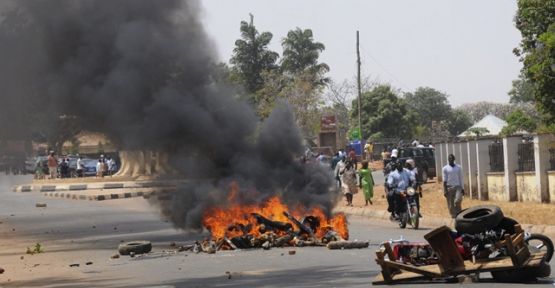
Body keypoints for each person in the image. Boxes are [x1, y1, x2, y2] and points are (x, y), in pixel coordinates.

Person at [442, 154, 464, 218]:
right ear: (448, 159)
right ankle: (453, 215)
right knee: (450, 204)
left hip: (458, 187)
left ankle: (459, 213)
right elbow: (444, 180)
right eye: (449, 158)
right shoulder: (445, 168)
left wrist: (462, 188)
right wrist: (445, 190)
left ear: (454, 159)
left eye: (452, 158)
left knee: (457, 200)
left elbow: (461, 178)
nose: (450, 160)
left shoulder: (458, 167)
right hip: (449, 187)